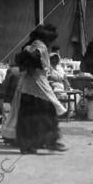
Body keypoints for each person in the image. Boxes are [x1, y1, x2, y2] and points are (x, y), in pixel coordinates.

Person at [14, 25, 67, 154]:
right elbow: (36, 60)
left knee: (27, 116)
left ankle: (27, 144)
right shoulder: (41, 47)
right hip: (39, 84)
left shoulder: (29, 46)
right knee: (48, 113)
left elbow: (24, 59)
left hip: (27, 85)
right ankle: (50, 141)